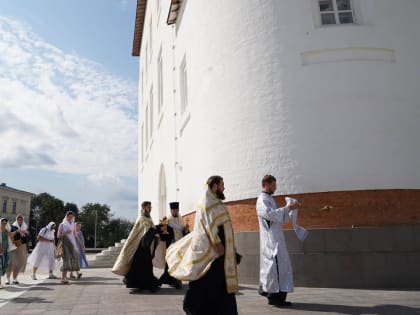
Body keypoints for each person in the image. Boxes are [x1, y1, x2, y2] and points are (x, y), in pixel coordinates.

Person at [167, 175, 239, 315]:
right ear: (215, 186)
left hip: (220, 250)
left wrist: (231, 249)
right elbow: (209, 224)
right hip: (212, 250)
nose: (224, 187)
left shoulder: (215, 201)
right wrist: (218, 242)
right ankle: (193, 307)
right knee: (206, 281)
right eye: (222, 184)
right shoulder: (207, 201)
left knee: (217, 283)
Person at [256, 174, 300, 307]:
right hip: (271, 242)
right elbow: (270, 214)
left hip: (276, 238)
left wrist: (290, 210)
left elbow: (278, 216)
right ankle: (274, 298)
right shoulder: (262, 199)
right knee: (273, 269)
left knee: (281, 267)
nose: (275, 188)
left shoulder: (270, 199)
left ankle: (279, 297)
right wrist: (288, 208)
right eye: (273, 185)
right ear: (266, 184)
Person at [112, 201, 161, 292]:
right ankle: (146, 285)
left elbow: (152, 229)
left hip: (146, 246)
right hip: (140, 247)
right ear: (143, 208)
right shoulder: (142, 218)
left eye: (150, 207)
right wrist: (157, 229)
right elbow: (147, 231)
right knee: (142, 266)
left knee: (146, 266)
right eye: (148, 207)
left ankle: (146, 284)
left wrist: (159, 228)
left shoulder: (149, 218)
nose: (150, 209)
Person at [57, 211, 81, 284]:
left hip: (72, 245)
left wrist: (81, 244)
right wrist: (65, 233)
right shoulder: (62, 225)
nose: (70, 218)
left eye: (72, 217)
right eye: (69, 217)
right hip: (65, 243)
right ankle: (63, 278)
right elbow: (58, 236)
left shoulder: (73, 225)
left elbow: (75, 235)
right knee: (66, 259)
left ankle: (66, 276)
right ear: (66, 217)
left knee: (73, 260)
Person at [6, 214, 29, 285]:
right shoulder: (12, 226)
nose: (20, 220)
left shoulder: (25, 226)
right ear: (16, 219)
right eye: (19, 219)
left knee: (20, 263)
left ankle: (15, 278)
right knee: (11, 262)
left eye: (21, 219)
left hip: (22, 246)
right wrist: (17, 232)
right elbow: (9, 234)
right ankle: (7, 279)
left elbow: (28, 235)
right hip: (14, 245)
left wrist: (25, 232)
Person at [0, 218, 14, 289]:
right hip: (0, 250)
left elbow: (12, 239)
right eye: (3, 223)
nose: (4, 224)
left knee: (4, 265)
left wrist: (12, 234)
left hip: (6, 251)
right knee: (0, 266)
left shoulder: (7, 231)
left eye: (5, 223)